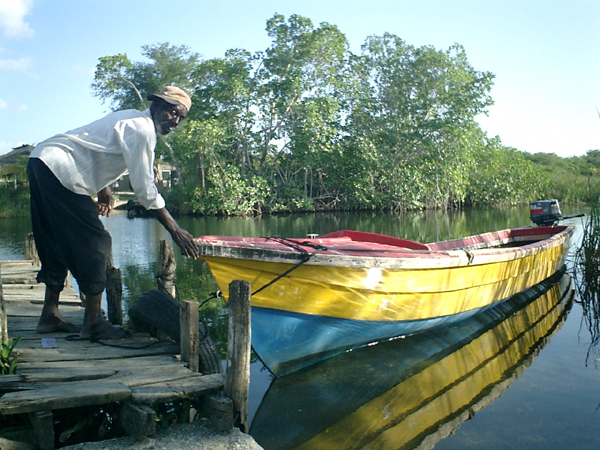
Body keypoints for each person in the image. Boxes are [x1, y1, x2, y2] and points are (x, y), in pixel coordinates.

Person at [27, 85, 199, 339]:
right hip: (60, 169)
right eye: (173, 112)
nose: (175, 121)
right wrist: (175, 229)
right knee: (97, 243)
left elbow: (94, 148)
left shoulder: (129, 117)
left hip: (41, 161)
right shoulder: (142, 130)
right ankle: (93, 323)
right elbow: (144, 189)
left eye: (180, 117)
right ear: (157, 105)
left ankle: (49, 316)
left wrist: (102, 189)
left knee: (54, 241)